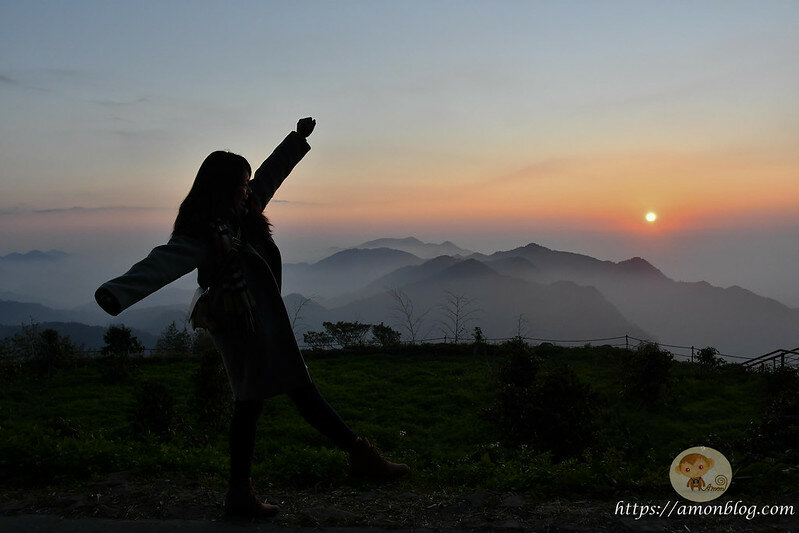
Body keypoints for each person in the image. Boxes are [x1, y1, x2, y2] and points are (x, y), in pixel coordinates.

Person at [95, 118, 409, 518]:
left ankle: (243, 493)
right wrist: (117, 292)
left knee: (260, 401)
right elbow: (162, 263)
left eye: (247, 184)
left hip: (261, 324)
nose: (248, 190)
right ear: (223, 188)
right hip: (242, 328)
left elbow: (269, 176)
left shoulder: (244, 214)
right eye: (241, 184)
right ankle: (359, 456)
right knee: (293, 391)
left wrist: (296, 140)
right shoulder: (202, 235)